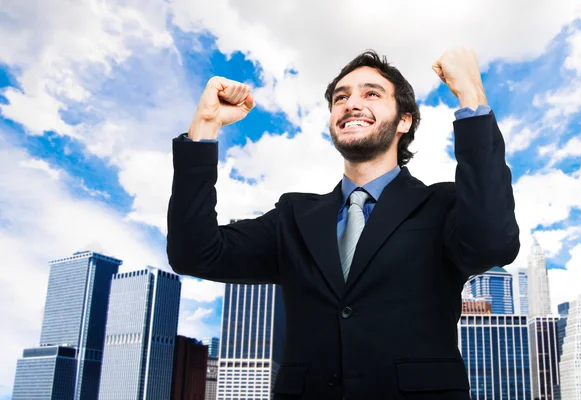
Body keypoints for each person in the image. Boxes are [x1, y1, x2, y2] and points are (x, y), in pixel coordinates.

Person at [167, 47, 520, 400]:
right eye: (340, 97)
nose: (351, 104)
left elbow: (494, 243)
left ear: (404, 120)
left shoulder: (441, 206)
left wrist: (471, 94)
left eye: (371, 93)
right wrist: (206, 125)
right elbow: (195, 253)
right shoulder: (293, 216)